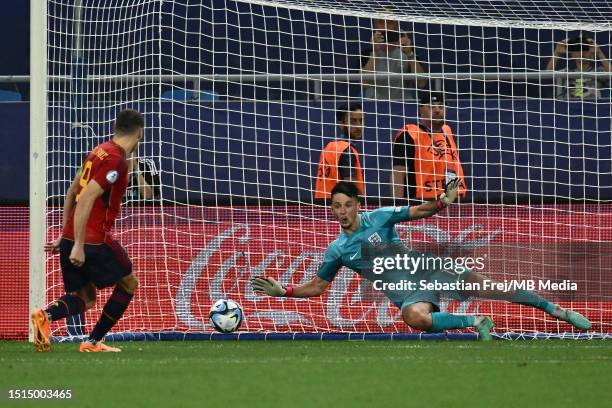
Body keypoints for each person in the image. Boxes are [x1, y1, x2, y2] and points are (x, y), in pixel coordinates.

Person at [252, 181, 591, 340]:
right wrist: (285, 292)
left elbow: (418, 210)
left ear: (357, 203)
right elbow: (319, 285)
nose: (341, 211)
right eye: (335, 206)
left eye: (346, 204)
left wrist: (442, 201)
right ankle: (476, 322)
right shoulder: (338, 249)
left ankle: (557, 311)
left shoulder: (380, 217)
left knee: (492, 287)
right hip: (406, 292)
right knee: (415, 317)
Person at [31, 109, 145, 352]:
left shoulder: (98, 151)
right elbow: (85, 199)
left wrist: (65, 235)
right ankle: (92, 342)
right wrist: (79, 245)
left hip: (74, 234)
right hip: (94, 239)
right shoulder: (116, 159)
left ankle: (45, 316)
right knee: (129, 283)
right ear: (139, 133)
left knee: (87, 298)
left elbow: (72, 191)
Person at [391, 91, 466, 204]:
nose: (437, 110)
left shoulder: (447, 131)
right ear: (421, 110)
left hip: (455, 203)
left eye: (441, 106)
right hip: (421, 205)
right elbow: (398, 173)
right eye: (431, 106)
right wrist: (397, 208)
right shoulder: (409, 133)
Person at [361, 18, 427, 100]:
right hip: (375, 106)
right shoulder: (368, 52)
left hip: (404, 105)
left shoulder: (408, 50)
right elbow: (364, 83)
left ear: (397, 25)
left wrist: (410, 55)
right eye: (381, 22)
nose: (385, 26)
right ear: (375, 25)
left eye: (390, 22)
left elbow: (421, 84)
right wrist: (375, 51)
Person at [314, 102, 365, 199]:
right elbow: (350, 189)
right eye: (353, 121)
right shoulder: (346, 150)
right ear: (341, 124)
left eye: (361, 121)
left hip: (321, 209)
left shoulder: (329, 147)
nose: (359, 126)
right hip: (340, 210)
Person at [546, 35, 611, 99]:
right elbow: (547, 75)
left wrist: (599, 52)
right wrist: (557, 53)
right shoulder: (566, 72)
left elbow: (610, 73)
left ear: (592, 53)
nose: (582, 53)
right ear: (572, 54)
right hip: (569, 107)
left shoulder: (598, 71)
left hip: (593, 107)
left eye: (586, 49)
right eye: (578, 50)